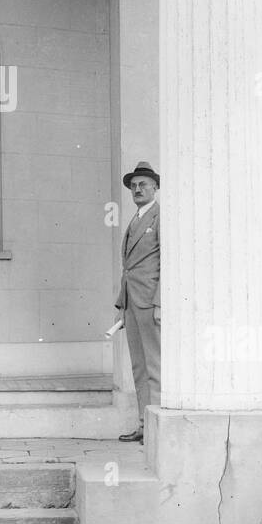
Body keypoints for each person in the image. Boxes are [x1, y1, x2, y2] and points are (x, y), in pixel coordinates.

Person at [114, 161, 161, 443]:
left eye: (143, 184)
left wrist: (159, 304)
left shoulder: (159, 217)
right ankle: (144, 425)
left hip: (150, 303)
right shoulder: (135, 220)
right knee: (139, 367)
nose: (137, 189)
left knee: (154, 367)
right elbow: (128, 268)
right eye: (133, 185)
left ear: (155, 187)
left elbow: (166, 263)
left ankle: (156, 429)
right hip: (132, 303)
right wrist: (122, 305)